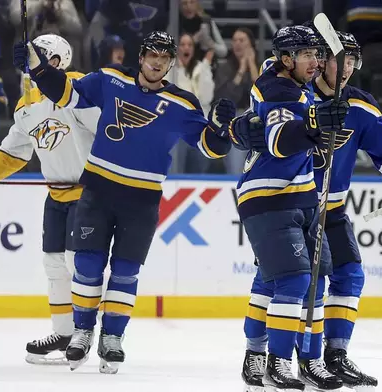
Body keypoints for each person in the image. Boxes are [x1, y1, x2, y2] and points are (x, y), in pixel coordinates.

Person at [234, 31, 382, 391]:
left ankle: (329, 357)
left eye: (353, 62)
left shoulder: (359, 106)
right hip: (285, 200)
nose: (346, 69)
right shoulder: (293, 88)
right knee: (279, 278)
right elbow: (262, 111)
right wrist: (240, 128)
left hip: (332, 208)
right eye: (338, 59)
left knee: (348, 275)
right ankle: (258, 352)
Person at [13, 30, 236, 373]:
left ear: (171, 62)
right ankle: (83, 333)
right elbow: (67, 93)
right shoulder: (110, 79)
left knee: (125, 271)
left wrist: (223, 130)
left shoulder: (183, 103)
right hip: (98, 191)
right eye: (152, 55)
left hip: (142, 199)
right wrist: (39, 69)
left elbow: (210, 147)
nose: (157, 62)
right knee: (87, 264)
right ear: (141, 55)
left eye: (164, 58)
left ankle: (113, 337)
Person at [234, 24, 348, 391]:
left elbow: (307, 148)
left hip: (301, 195)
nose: (316, 61)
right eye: (308, 55)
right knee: (295, 279)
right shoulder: (278, 89)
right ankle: (276, 361)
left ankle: (307, 359)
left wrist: (320, 134)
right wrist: (314, 126)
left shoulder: (298, 89)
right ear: (286, 59)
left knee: (308, 282)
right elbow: (281, 142)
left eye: (318, 54)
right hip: (268, 196)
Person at [0, 34, 99, 365]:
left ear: (56, 60)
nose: (29, 64)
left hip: (87, 193)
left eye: (37, 57)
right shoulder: (27, 105)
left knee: (74, 262)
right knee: (53, 265)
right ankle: (63, 332)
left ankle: (83, 332)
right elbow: (12, 153)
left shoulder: (78, 87)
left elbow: (96, 118)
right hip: (56, 195)